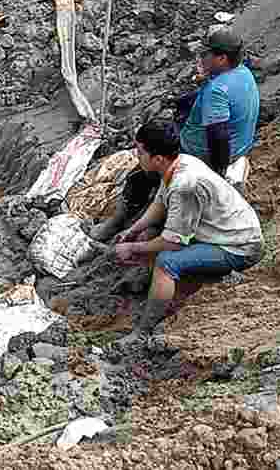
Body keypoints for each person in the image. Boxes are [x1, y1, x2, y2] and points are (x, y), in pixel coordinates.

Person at [90, 29, 260, 241]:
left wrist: (217, 172)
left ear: (222, 58)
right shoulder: (242, 74)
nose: (201, 57)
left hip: (202, 153)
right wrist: (186, 99)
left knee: (142, 170)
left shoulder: (217, 90)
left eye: (206, 54)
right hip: (238, 146)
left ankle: (119, 219)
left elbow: (219, 136)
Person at [112, 120, 263, 348]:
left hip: (238, 246)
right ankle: (158, 288)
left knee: (166, 262)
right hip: (221, 230)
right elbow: (159, 204)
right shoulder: (180, 162)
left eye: (140, 151)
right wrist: (133, 231)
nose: (137, 156)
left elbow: (173, 243)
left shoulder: (185, 185)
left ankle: (142, 331)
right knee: (148, 235)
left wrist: (132, 248)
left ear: (158, 159)